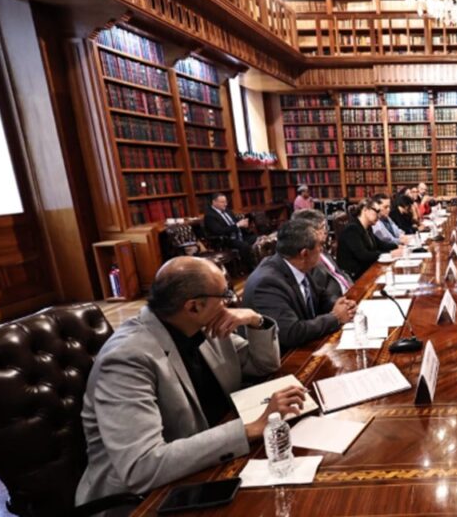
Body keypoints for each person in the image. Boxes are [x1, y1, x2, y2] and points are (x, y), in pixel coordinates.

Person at [76, 257, 306, 504]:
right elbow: (142, 467)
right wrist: (249, 429)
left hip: (205, 463)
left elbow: (261, 365)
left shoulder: (200, 324)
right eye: (225, 295)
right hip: (140, 500)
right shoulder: (126, 358)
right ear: (194, 306)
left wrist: (255, 320)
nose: (230, 303)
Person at [243, 218, 356, 348]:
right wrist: (335, 318)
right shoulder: (267, 283)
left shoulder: (298, 265)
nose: (322, 250)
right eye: (320, 246)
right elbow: (291, 332)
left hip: (306, 343)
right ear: (304, 253)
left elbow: (320, 297)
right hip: (285, 355)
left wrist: (341, 305)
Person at [292, 208, 354, 298]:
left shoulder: (321, 248)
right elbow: (318, 295)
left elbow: (339, 272)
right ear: (309, 231)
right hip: (336, 300)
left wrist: (353, 287)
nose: (326, 231)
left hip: (350, 292)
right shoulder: (306, 258)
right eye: (322, 227)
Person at [337, 198, 402, 279]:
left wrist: (397, 246)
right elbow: (364, 255)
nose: (379, 216)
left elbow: (380, 244)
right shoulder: (352, 229)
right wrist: (389, 254)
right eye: (376, 211)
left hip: (367, 269)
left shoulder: (368, 227)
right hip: (355, 275)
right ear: (365, 210)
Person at [203, 194, 257, 269]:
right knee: (244, 246)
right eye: (222, 202)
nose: (225, 204)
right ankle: (250, 268)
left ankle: (259, 263)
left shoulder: (228, 211)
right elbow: (219, 231)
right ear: (214, 202)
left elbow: (236, 223)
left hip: (239, 236)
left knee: (258, 238)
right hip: (225, 240)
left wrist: (244, 224)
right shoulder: (209, 216)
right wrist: (238, 225)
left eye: (226, 202)